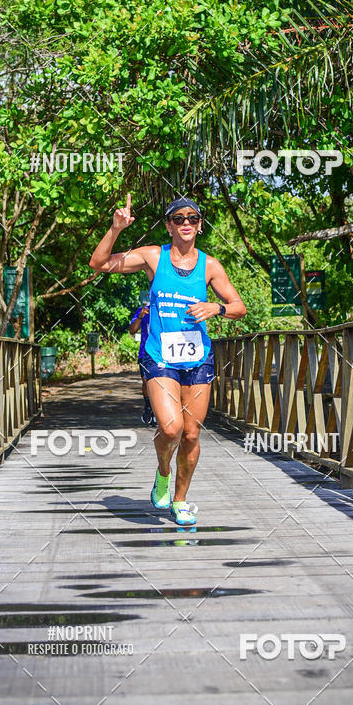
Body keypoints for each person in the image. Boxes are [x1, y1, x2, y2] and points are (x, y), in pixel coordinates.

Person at [89, 194, 247, 525]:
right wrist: (116, 229)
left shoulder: (211, 266)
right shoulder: (152, 257)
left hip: (198, 357)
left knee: (191, 434)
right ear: (169, 225)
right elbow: (99, 264)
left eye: (192, 218)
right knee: (171, 428)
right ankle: (163, 471)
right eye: (179, 219)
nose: (186, 223)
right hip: (160, 354)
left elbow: (238, 307)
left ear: (200, 225)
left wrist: (215, 308)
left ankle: (180, 500)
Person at [128, 298, 157, 426]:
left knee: (159, 383)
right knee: (146, 382)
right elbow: (132, 330)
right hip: (145, 353)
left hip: (163, 353)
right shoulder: (142, 311)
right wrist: (140, 317)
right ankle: (148, 406)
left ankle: (158, 411)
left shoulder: (165, 309)